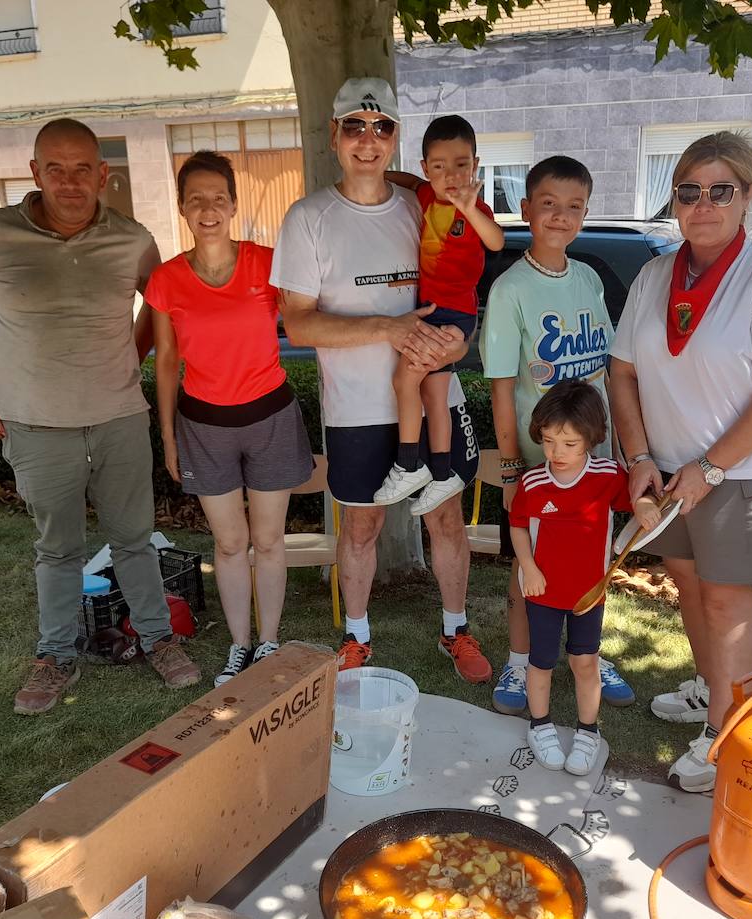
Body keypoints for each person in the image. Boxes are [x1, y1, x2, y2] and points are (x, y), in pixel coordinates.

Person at [0, 117, 201, 715]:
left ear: (104, 175)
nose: (71, 181)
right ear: (34, 172)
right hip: (35, 422)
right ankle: (54, 655)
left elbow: (161, 311)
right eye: (56, 168)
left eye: (84, 168)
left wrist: (127, 358)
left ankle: (158, 639)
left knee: (134, 539)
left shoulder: (133, 239)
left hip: (119, 418)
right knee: (58, 548)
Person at [608, 131, 752, 793]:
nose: (702, 205)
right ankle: (711, 689)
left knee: (729, 601)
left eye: (719, 190)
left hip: (741, 472)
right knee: (690, 588)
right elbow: (621, 372)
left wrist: (711, 469)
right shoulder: (652, 274)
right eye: (688, 192)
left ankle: (728, 732)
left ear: (748, 196)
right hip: (668, 468)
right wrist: (639, 456)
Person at [270, 77, 492, 683]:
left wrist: (460, 339)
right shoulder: (308, 218)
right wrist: (387, 328)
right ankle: (357, 638)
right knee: (361, 523)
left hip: (432, 392)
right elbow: (299, 323)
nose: (368, 140)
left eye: (382, 127)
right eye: (354, 126)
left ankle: (456, 629)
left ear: (396, 138)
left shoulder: (424, 202)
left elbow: (464, 287)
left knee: (446, 515)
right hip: (357, 406)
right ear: (333, 133)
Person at [146, 150, 314, 686]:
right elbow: (167, 360)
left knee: (268, 541)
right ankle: (240, 645)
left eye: (218, 198)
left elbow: (310, 322)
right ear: (182, 207)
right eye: (196, 199)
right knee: (228, 544)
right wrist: (168, 435)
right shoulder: (167, 280)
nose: (208, 209)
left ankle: (270, 643)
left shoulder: (268, 263)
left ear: (234, 204)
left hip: (270, 417)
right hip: (203, 426)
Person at [480, 155, 634, 718]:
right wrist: (513, 469)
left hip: (591, 461)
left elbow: (608, 370)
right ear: (525, 210)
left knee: (589, 560)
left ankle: (589, 651)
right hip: (540, 463)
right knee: (531, 569)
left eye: (574, 207)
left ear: (586, 213)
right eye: (548, 205)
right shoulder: (510, 290)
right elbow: (501, 387)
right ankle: (521, 663)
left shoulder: (590, 278)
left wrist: (616, 450)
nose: (560, 217)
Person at [509, 381, 661, 776]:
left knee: (585, 661)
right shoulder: (533, 483)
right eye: (548, 441)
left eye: (570, 444)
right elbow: (519, 526)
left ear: (592, 439)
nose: (556, 453)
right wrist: (529, 567)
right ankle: (539, 725)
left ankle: (588, 731)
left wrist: (645, 506)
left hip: (589, 595)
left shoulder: (608, 475)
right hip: (541, 593)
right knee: (540, 662)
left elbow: (636, 498)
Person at [373, 115, 504, 515]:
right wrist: (378, 170)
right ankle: (444, 471)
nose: (451, 174)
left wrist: (470, 207)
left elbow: (496, 241)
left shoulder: (475, 208)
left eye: (461, 165)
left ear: (476, 166)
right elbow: (405, 181)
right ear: (426, 167)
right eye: (440, 166)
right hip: (433, 311)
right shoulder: (426, 194)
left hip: (450, 315)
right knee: (434, 395)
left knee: (403, 379)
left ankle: (409, 463)